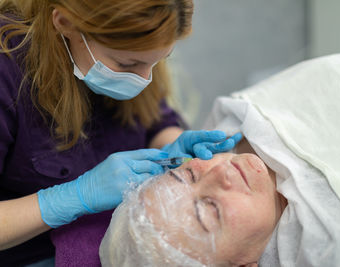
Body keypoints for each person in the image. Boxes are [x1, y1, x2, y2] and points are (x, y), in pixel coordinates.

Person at [99, 53, 340, 266]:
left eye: (187, 175)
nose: (219, 174)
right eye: (211, 209)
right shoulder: (339, 247)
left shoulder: (231, 121)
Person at [0, 1, 241, 266]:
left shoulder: (136, 45)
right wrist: (74, 197)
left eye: (159, 60)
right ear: (65, 23)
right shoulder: (7, 73)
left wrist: (173, 146)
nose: (144, 78)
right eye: (128, 64)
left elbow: (154, 118)